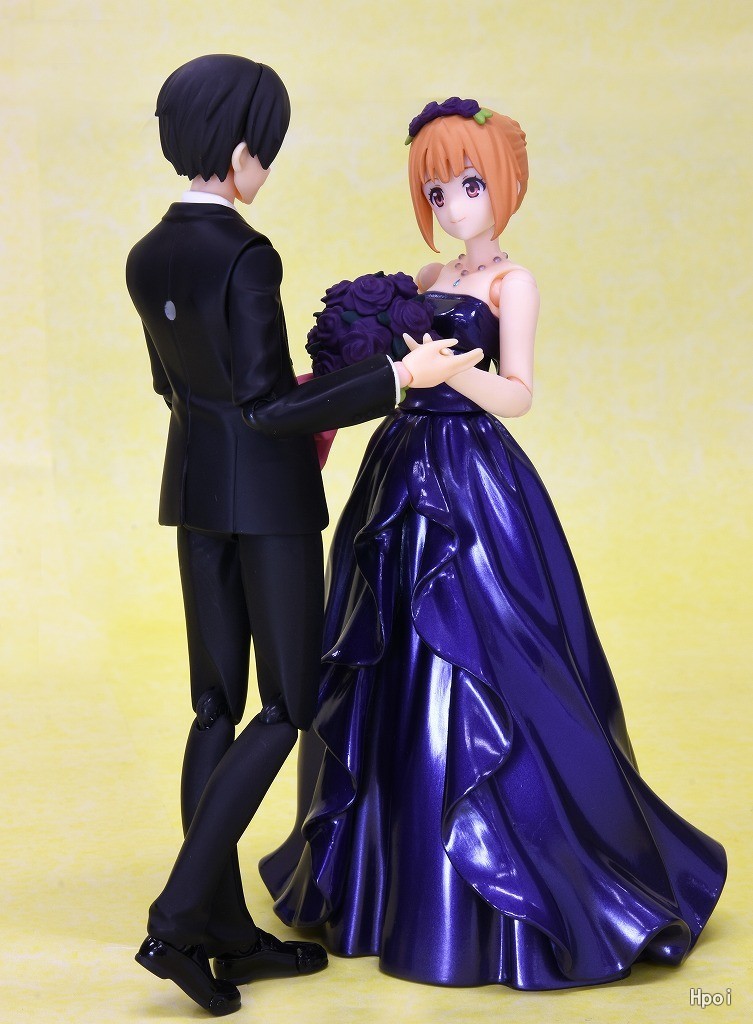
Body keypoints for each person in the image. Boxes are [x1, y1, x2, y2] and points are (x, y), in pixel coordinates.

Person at [257, 98, 727, 990]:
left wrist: (452, 374)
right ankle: (384, 879)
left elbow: (518, 394)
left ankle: (529, 871)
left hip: (473, 476)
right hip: (400, 467)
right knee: (384, 655)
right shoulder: (428, 278)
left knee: (492, 653)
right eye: (435, 191)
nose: (451, 205)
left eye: (467, 185)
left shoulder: (514, 284)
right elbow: (391, 376)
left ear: (504, 185)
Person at [126, 60, 482, 1016]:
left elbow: (176, 387)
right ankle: (177, 920)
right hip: (269, 508)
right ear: (241, 147)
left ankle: (222, 928)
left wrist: (307, 392)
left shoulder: (147, 254)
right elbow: (265, 406)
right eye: (266, 151)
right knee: (284, 706)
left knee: (214, 707)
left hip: (193, 495)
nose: (266, 169)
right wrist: (394, 380)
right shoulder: (247, 255)